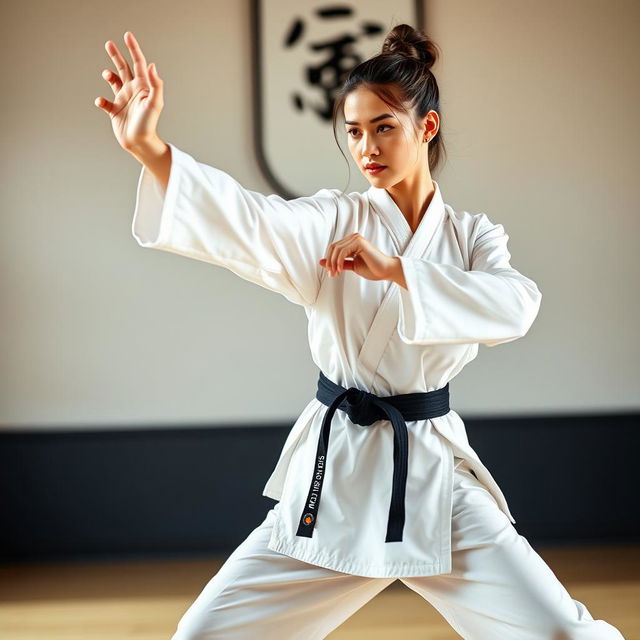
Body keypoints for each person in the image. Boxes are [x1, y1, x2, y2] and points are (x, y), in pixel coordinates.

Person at [95, 24, 625, 640]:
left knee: (562, 633)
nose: (366, 147)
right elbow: (251, 220)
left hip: (432, 476)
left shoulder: (473, 237)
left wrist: (397, 269)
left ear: (426, 127)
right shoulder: (334, 220)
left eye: (384, 127)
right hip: (336, 479)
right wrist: (151, 150)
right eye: (353, 131)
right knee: (205, 634)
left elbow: (516, 307)